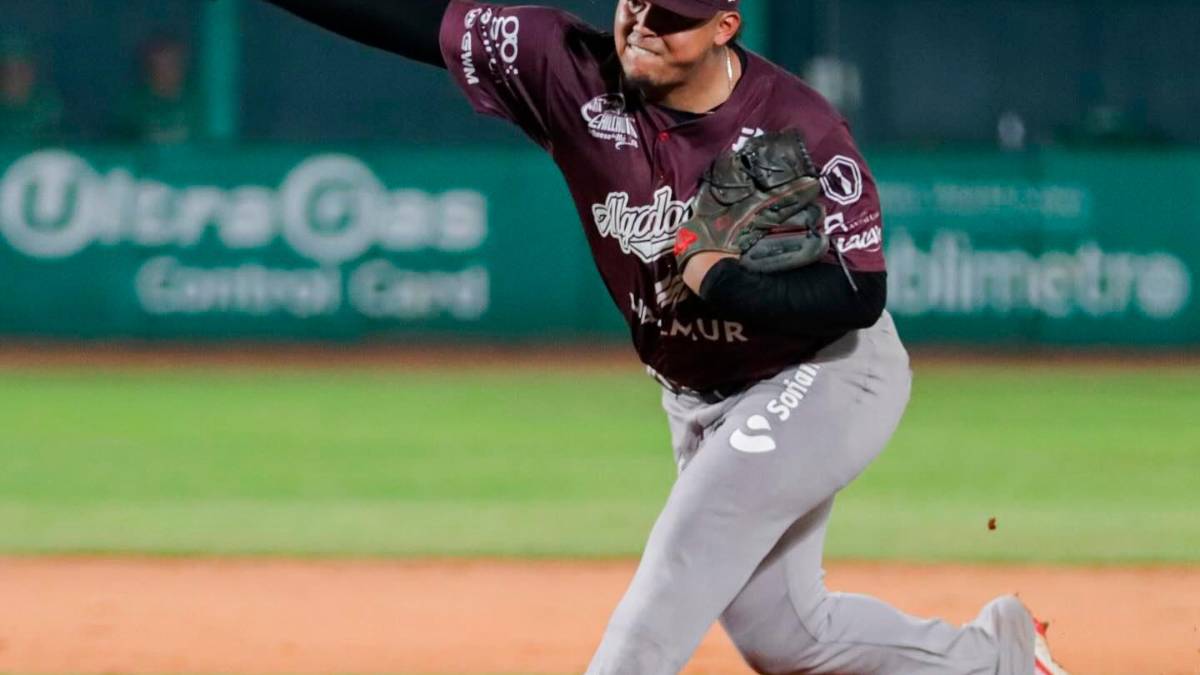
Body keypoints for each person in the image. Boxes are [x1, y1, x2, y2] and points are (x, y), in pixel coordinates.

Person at [262, 1, 1071, 673]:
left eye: (672, 17)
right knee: (788, 636)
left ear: (725, 26)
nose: (644, 25)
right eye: (635, 3)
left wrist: (730, 282)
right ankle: (996, 658)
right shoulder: (569, 71)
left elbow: (859, 294)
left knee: (675, 573)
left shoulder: (790, 126)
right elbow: (413, 18)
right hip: (697, 394)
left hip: (825, 372)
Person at [119, 36, 203, 145]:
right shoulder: (134, 106)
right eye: (159, 66)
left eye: (172, 64)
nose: (166, 73)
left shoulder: (201, 101)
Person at [0, 36, 63, 143]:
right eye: (7, 70)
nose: (14, 77)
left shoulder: (52, 111)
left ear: (33, 71)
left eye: (21, 69)